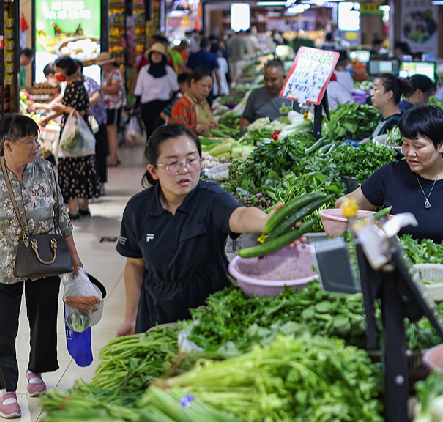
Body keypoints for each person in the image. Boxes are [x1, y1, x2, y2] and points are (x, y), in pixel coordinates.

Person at [115, 124, 303, 335]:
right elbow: (134, 264)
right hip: (157, 312)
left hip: (211, 307)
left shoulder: (211, 197)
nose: (184, 169)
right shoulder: (137, 209)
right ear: (153, 170)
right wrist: (130, 318)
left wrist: (266, 222)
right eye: (173, 163)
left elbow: (239, 215)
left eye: (191, 160)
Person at [0, 114, 83, 419]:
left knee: (44, 319)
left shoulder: (45, 169)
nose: (35, 146)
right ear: (7, 145)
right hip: (2, 264)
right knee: (3, 327)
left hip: (45, 258)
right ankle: (7, 390)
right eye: (28, 141)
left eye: (36, 138)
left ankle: (35, 371)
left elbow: (61, 217)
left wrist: (74, 257)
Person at [335, 105, 443, 244]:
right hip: (395, 265)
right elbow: (344, 204)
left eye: (418, 146)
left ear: (441, 144)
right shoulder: (390, 174)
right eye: (405, 144)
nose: (410, 153)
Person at [40, 56, 100, 219]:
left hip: (73, 134)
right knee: (84, 167)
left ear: (65, 70)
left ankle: (73, 210)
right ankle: (83, 207)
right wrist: (49, 117)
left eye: (58, 70)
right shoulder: (78, 84)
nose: (56, 74)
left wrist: (60, 109)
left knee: (72, 168)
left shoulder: (74, 86)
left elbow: (77, 110)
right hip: (81, 132)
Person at [76, 60, 109, 196]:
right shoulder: (71, 84)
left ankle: (100, 183)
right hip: (83, 124)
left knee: (99, 153)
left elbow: (96, 97)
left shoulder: (90, 82)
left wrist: (82, 104)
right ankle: (90, 185)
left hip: (97, 122)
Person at [134, 43, 180, 140]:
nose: (156, 56)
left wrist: (170, 104)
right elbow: (139, 90)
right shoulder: (144, 70)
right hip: (147, 106)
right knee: (149, 131)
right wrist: (135, 107)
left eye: (159, 54)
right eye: (154, 53)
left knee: (159, 131)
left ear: (163, 57)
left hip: (163, 106)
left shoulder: (169, 71)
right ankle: (150, 152)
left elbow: (176, 89)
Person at [239, 59, 290, 128]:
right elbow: (245, 118)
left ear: (284, 78)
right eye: (266, 79)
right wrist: (245, 130)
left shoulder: (292, 97)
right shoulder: (255, 94)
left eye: (273, 80)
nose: (269, 84)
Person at [170, 68, 219, 136]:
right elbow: (179, 132)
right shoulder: (182, 104)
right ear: (192, 82)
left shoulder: (205, 104)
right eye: (203, 86)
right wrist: (200, 128)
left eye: (209, 87)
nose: (206, 90)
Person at [97, 52, 126, 167]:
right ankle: (115, 155)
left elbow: (114, 88)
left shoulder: (116, 73)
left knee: (112, 131)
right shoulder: (105, 73)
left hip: (114, 105)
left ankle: (113, 157)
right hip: (106, 105)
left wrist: (99, 87)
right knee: (109, 131)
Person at [365, 73, 404, 142]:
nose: (371, 94)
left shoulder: (395, 123)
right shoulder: (383, 117)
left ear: (389, 94)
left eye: (376, 89)